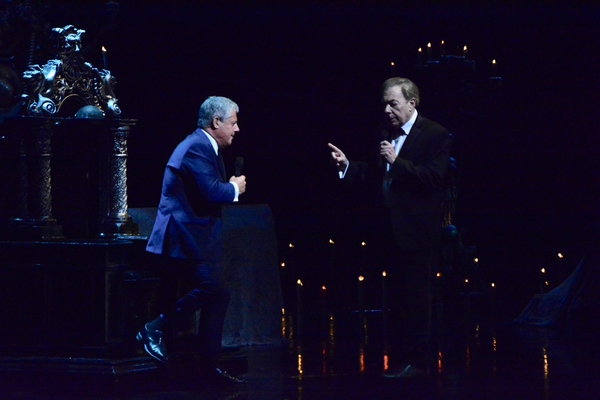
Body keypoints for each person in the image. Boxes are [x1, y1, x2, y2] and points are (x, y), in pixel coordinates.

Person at [328, 77, 452, 378]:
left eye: (393, 103)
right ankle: (399, 358)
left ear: (412, 103)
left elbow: (434, 178)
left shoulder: (435, 134)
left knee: (416, 298)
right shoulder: (384, 133)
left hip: (418, 233)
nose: (386, 109)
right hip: (388, 230)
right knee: (395, 297)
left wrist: (397, 162)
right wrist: (347, 165)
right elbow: (373, 172)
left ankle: (419, 361)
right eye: (384, 103)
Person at [138, 96, 247, 385]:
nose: (237, 129)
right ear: (216, 122)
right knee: (214, 288)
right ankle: (155, 328)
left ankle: (208, 368)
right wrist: (233, 187)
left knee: (219, 293)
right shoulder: (197, 147)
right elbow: (211, 192)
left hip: (194, 237)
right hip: (182, 238)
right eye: (233, 123)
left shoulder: (206, 147)